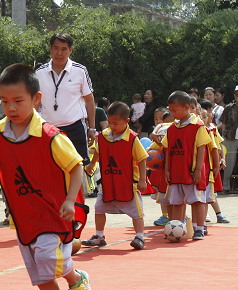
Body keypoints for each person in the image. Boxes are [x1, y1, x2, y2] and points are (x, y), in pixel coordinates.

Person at [0, 63, 94, 290]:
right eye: (5, 102)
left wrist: (69, 201)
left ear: (36, 100)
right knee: (40, 274)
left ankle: (76, 278)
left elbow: (76, 166)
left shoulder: (51, 136)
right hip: (23, 217)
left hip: (53, 213)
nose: (11, 108)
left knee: (50, 259)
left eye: (18, 101)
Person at [81, 101, 149, 250]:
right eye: (110, 122)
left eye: (116, 123)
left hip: (128, 184)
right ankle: (99, 236)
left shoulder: (132, 139)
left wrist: (143, 179)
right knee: (98, 208)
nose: (111, 126)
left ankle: (139, 237)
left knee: (137, 213)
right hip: (108, 183)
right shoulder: (104, 136)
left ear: (126, 122)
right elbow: (99, 150)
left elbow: (142, 158)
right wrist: (93, 164)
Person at [155, 91, 212, 240]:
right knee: (176, 202)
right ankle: (175, 228)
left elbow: (201, 149)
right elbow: (167, 150)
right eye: (170, 110)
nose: (172, 113)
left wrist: (199, 170)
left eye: (175, 110)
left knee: (196, 200)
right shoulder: (172, 129)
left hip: (191, 171)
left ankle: (199, 228)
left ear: (187, 107)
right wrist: (167, 169)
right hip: (175, 171)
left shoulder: (198, 127)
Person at [35, 33, 97, 164]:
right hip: (48, 129)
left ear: (70, 50)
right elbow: (35, 103)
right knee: (49, 167)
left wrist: (92, 128)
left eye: (64, 49)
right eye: (56, 48)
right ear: (50, 48)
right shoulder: (39, 72)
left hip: (75, 128)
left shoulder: (80, 70)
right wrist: (33, 126)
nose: (59, 53)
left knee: (78, 168)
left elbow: (89, 100)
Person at [199, 99, 230, 224]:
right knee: (205, 192)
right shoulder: (198, 129)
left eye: (208, 114)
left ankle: (218, 214)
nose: (207, 117)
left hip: (212, 165)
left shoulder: (212, 129)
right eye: (203, 115)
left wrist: (222, 158)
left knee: (212, 192)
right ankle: (205, 215)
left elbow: (219, 145)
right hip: (203, 166)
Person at [149, 107, 171, 226]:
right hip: (161, 170)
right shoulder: (160, 134)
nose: (159, 121)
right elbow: (152, 148)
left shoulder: (169, 130)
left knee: (176, 194)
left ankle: (179, 215)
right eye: (156, 119)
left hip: (174, 170)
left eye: (161, 119)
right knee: (162, 193)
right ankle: (165, 216)